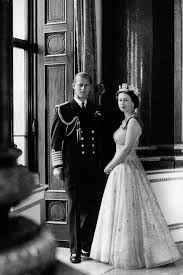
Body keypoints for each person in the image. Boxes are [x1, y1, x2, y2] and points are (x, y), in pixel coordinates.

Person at [90, 83, 181, 269]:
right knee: (119, 211)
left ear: (133, 103)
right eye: (120, 100)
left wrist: (110, 166)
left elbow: (127, 149)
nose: (122, 103)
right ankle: (113, 251)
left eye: (126, 100)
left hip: (128, 169)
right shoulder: (124, 121)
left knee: (129, 212)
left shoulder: (133, 122)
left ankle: (133, 254)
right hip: (120, 170)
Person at [51, 72, 104, 264]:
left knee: (93, 206)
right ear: (73, 86)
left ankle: (85, 244)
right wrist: (57, 166)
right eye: (80, 85)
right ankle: (75, 250)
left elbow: (101, 141)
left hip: (93, 168)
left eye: (86, 86)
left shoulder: (97, 110)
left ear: (90, 88)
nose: (83, 89)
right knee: (75, 206)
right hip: (72, 168)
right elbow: (56, 141)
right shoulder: (64, 110)